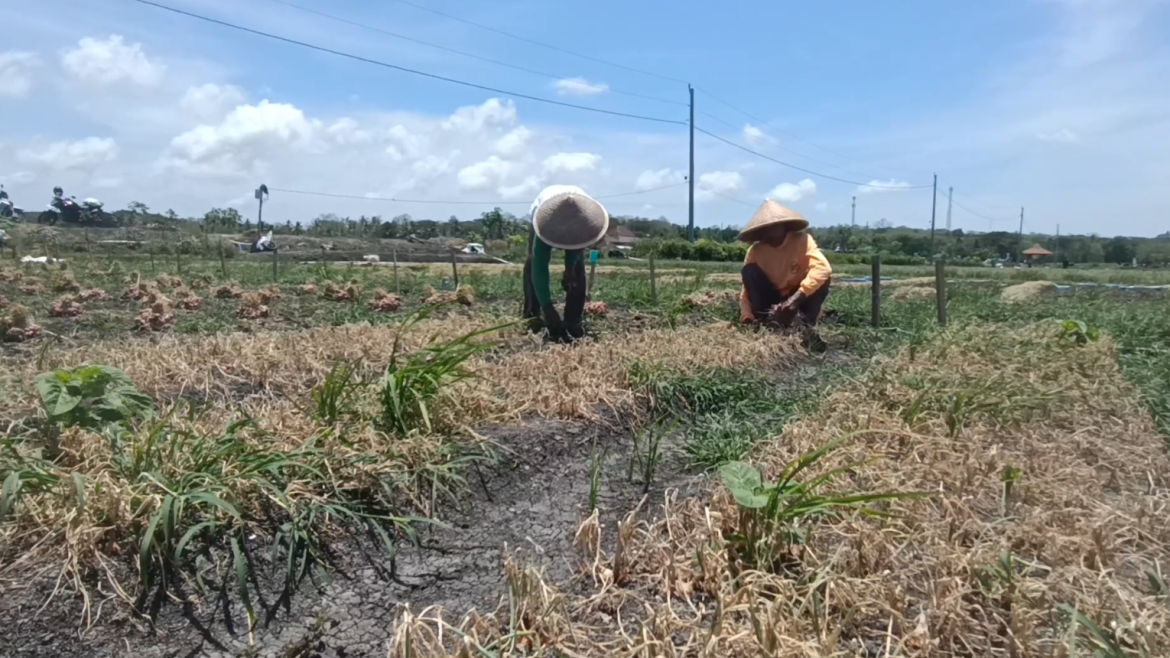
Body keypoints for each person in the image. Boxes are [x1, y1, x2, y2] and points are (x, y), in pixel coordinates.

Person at [521, 185, 610, 342]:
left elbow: (576, 248)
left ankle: (573, 319)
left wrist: (570, 269)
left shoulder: (583, 219)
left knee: (577, 269)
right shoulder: (544, 221)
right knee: (532, 261)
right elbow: (539, 266)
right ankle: (532, 315)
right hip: (546, 213)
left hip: (578, 218)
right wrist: (548, 308)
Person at [737, 199, 832, 334]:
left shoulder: (802, 240)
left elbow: (823, 268)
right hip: (771, 301)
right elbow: (746, 290)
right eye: (765, 229)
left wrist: (794, 301)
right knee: (749, 271)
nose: (769, 233)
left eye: (773, 227)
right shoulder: (755, 252)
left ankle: (804, 322)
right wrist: (746, 315)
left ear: (783, 226)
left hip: (799, 297)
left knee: (822, 278)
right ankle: (766, 319)